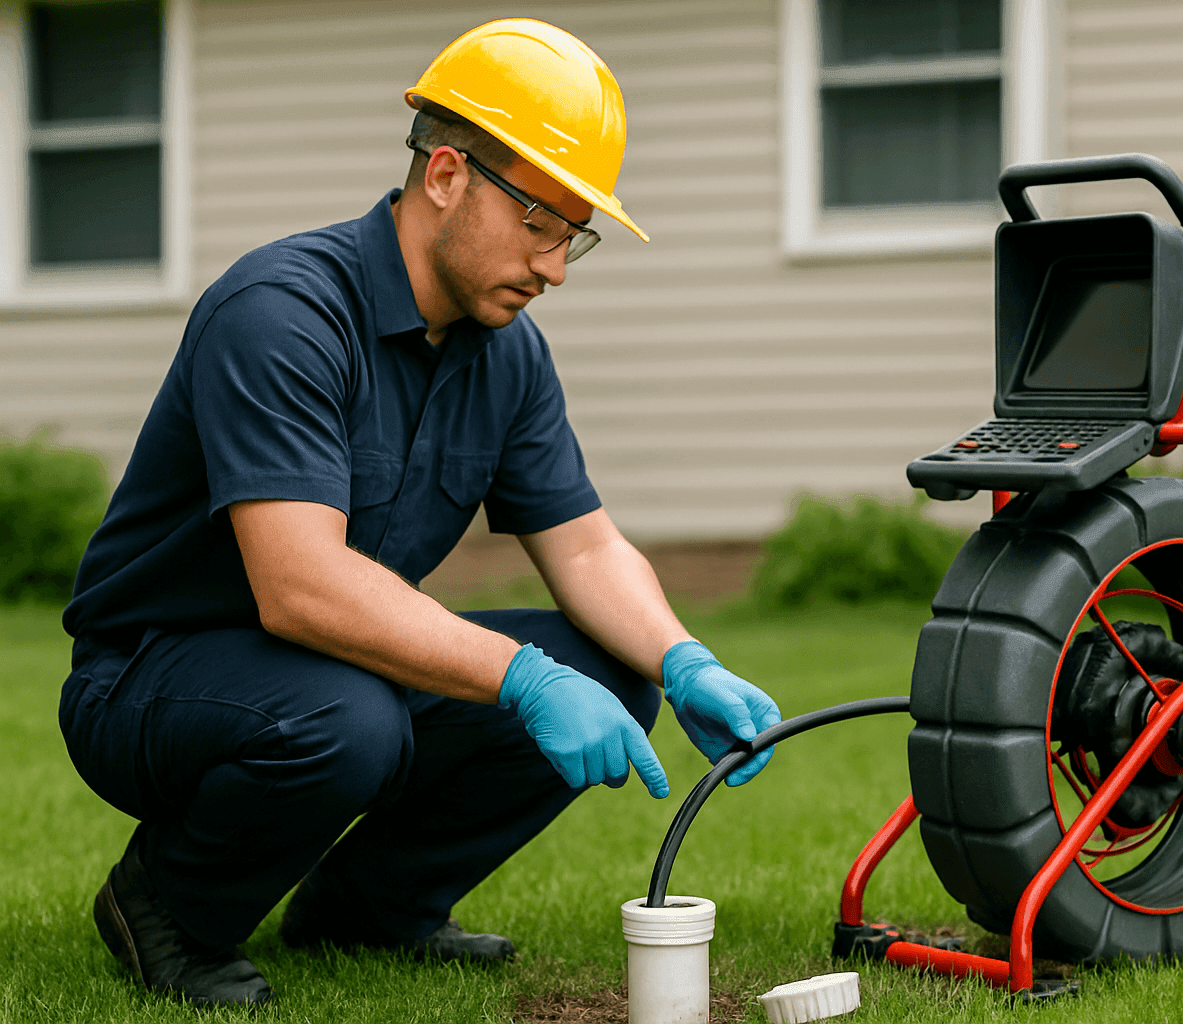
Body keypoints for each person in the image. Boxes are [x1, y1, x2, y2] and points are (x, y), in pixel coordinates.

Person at [59, 19, 780, 1008]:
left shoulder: (505, 350)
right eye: (538, 225)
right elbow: (300, 585)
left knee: (605, 672)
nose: (555, 267)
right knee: (353, 719)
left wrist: (681, 656)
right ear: (445, 175)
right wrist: (519, 676)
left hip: (327, 668)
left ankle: (370, 907)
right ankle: (165, 907)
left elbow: (584, 544)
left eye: (574, 236)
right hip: (152, 678)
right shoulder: (282, 312)